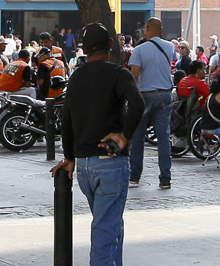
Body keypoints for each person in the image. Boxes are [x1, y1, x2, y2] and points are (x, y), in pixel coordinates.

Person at [49, 23, 140, 266]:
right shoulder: (119, 73)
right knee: (105, 232)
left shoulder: (77, 76)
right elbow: (138, 104)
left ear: (85, 49)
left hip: (85, 169)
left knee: (111, 226)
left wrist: (70, 157)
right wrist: (124, 136)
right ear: (111, 43)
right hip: (110, 164)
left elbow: (65, 120)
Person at [126, 18, 179, 189]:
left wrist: (130, 99)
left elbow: (134, 76)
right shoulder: (170, 47)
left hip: (144, 96)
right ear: (160, 29)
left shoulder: (138, 50)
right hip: (165, 95)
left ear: (147, 29)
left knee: (138, 135)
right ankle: (165, 178)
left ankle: (134, 176)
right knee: (163, 137)